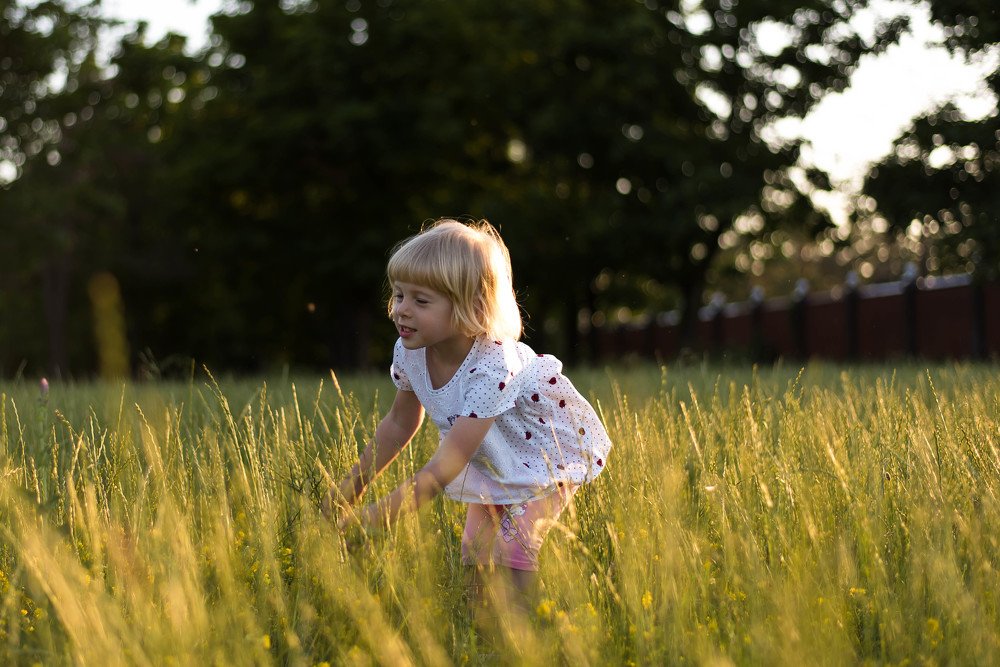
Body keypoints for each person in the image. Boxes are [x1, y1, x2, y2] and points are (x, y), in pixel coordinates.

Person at [325, 218, 612, 631]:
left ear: (469, 308)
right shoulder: (410, 351)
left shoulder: (493, 364)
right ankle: (481, 633)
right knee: (476, 548)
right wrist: (352, 487)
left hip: (547, 452)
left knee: (514, 545)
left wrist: (381, 514)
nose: (402, 309)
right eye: (400, 294)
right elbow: (398, 424)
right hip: (493, 454)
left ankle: (523, 638)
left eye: (421, 301)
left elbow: (447, 466)